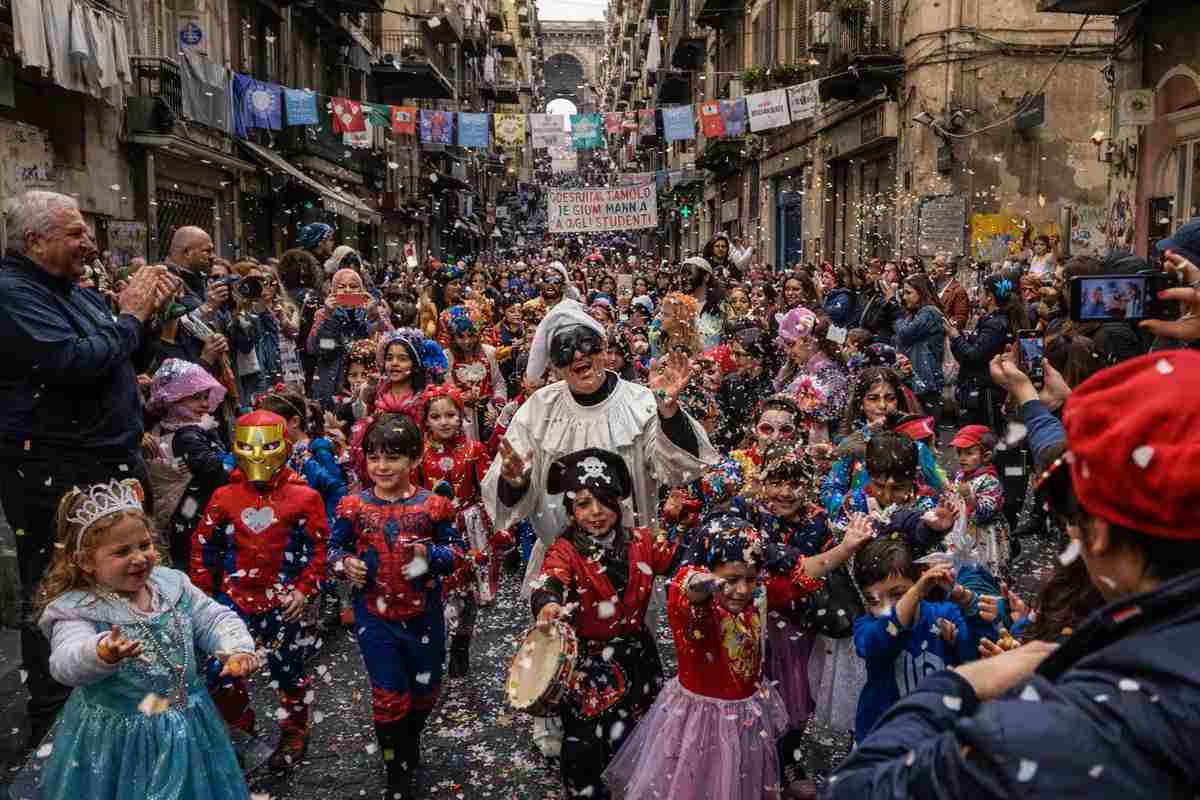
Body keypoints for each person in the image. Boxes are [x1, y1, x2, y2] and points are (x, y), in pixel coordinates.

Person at [828, 349, 1200, 798]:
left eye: (1069, 511)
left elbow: (859, 787)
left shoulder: (1077, 727)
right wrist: (1031, 397)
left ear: (1096, 533)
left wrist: (965, 682)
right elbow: (1055, 448)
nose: (1066, 526)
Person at [0, 190, 176, 742]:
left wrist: (152, 319)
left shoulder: (68, 291)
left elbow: (121, 354)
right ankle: (56, 726)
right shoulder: (12, 294)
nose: (88, 243)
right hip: (56, 470)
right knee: (57, 586)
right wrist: (128, 314)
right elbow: (72, 363)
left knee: (123, 577)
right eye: (75, 233)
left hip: (106, 461)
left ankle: (127, 705)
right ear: (35, 242)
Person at [30, 479, 260, 800]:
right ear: (85, 561)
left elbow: (213, 617)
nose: (139, 557)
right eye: (122, 551)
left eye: (144, 545)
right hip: (121, 742)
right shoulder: (79, 607)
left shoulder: (171, 585)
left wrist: (235, 647)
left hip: (189, 722)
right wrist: (99, 652)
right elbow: (64, 662)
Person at [601, 514, 836, 800]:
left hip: (747, 718)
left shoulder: (758, 595)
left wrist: (846, 547)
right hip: (698, 723)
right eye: (731, 579)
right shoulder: (698, 607)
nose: (741, 589)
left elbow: (802, 576)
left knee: (741, 782)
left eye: (750, 578)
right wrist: (705, 582)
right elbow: (690, 591)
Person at [328, 414, 463, 800]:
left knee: (426, 691)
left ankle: (409, 739)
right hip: (374, 616)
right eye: (374, 458)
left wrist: (429, 555)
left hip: (424, 616)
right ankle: (395, 770)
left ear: (415, 459)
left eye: (393, 458)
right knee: (388, 697)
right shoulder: (352, 506)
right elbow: (334, 550)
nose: (382, 468)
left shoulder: (434, 506)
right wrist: (344, 564)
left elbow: (457, 554)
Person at [531, 449, 678, 800]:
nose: (596, 513)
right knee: (585, 745)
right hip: (588, 663)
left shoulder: (641, 541)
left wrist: (682, 524)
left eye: (604, 501)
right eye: (583, 504)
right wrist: (548, 602)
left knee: (637, 738)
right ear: (570, 510)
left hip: (637, 655)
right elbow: (550, 580)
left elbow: (674, 559)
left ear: (619, 504)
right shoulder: (565, 550)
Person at [190, 410, 329, 771]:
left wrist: (303, 589)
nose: (257, 457)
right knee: (224, 673)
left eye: (266, 446)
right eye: (247, 447)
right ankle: (243, 736)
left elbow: (318, 549)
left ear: (283, 447)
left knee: (289, 670)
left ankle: (294, 731)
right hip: (233, 600)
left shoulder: (304, 496)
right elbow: (203, 547)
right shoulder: (224, 496)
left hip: (283, 602)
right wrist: (203, 598)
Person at [851, 538, 991, 742]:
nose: (886, 608)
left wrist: (966, 601)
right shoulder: (867, 626)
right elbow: (877, 643)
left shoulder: (944, 614)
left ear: (919, 579)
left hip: (940, 731)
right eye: (873, 600)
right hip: (885, 736)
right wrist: (914, 593)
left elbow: (980, 653)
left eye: (898, 594)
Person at [145, 358, 232, 568]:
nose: (204, 403)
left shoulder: (182, 428)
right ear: (174, 400)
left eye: (205, 397)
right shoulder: (187, 435)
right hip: (192, 512)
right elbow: (212, 469)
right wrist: (239, 457)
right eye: (195, 398)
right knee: (195, 559)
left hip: (189, 510)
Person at [947, 273, 1029, 430]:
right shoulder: (992, 320)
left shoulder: (995, 324)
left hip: (986, 392)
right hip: (981, 389)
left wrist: (956, 337)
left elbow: (973, 356)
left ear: (990, 296)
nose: (978, 297)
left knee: (985, 435)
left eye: (980, 292)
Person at [946, 424, 1011, 578]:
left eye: (969, 453)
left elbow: (987, 511)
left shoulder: (989, 480)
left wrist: (969, 497)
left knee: (986, 569)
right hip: (965, 529)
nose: (962, 458)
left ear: (986, 456)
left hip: (986, 535)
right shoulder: (960, 475)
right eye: (959, 452)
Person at [894, 273, 946, 423]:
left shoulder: (929, 312)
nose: (904, 297)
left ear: (922, 293)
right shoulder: (917, 313)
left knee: (925, 426)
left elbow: (904, 334)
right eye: (903, 293)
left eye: (909, 293)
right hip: (917, 378)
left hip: (925, 380)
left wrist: (897, 316)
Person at [930, 256, 969, 330]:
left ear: (949, 270)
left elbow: (960, 320)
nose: (932, 269)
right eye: (932, 265)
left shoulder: (959, 291)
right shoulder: (930, 288)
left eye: (938, 266)